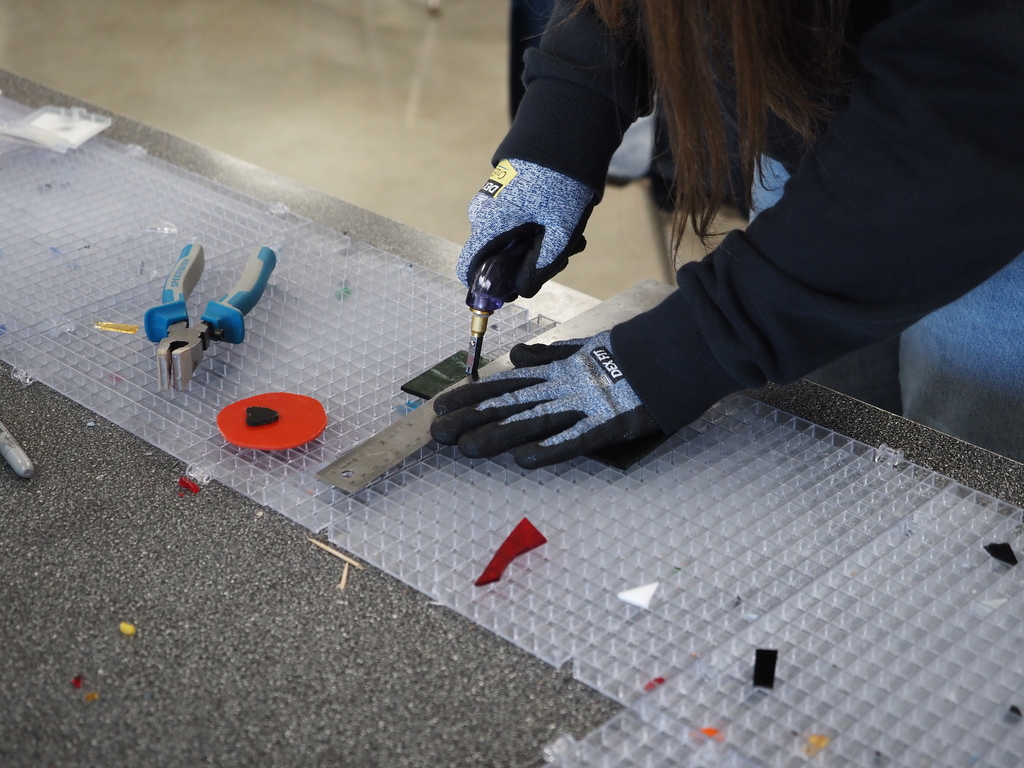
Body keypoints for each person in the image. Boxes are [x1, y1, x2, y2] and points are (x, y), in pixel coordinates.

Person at [431, 0, 1024, 468]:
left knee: (968, 493)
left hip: (990, 192)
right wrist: (557, 134)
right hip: (807, 148)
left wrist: (695, 346)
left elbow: (965, 119)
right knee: (821, 447)